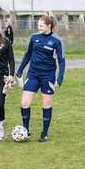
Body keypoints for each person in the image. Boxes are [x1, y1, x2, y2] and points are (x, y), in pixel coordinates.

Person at [16, 11, 65, 142]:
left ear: (49, 26)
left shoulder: (56, 41)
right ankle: (26, 131)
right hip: (33, 74)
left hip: (48, 75)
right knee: (24, 103)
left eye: (41, 26)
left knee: (46, 104)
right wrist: (20, 70)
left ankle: (44, 133)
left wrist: (60, 78)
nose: (39, 28)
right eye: (38, 26)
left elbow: (61, 61)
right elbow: (27, 55)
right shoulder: (34, 38)